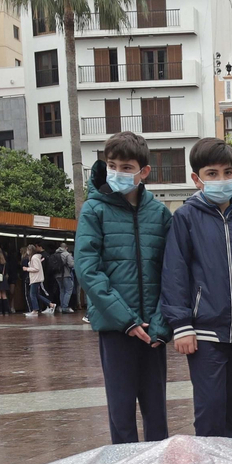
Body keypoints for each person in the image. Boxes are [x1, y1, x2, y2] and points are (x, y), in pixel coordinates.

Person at [160, 138, 232, 439]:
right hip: (205, 333)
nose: (221, 180)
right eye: (212, 174)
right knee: (210, 410)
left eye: (227, 172)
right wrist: (182, 325)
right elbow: (175, 272)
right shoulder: (185, 218)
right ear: (197, 179)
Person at [76, 131, 173, 444]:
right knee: (120, 412)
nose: (117, 172)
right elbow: (88, 269)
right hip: (117, 329)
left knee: (156, 412)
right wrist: (125, 319)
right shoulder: (94, 210)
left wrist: (160, 324)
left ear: (143, 171)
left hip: (154, 332)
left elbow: (172, 273)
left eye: (126, 166)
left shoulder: (159, 215)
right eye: (112, 164)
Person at [23, 243, 52, 317]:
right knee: (36, 294)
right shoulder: (36, 257)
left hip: (35, 278)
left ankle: (35, 310)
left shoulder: (34, 258)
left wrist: (27, 269)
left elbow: (36, 268)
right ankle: (50, 304)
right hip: (36, 278)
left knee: (32, 294)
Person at [54, 244, 77, 313]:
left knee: (62, 290)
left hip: (57, 275)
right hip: (66, 274)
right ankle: (65, 307)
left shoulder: (56, 254)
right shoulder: (67, 254)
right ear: (66, 248)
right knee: (69, 290)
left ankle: (62, 306)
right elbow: (71, 264)